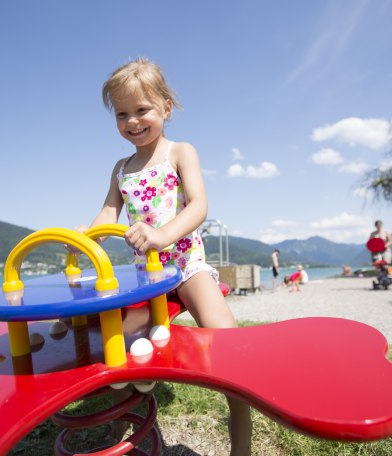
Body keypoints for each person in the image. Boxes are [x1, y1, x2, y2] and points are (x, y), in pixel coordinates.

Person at [74, 58, 252, 455]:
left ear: (166, 108)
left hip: (186, 266)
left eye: (142, 110)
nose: (133, 121)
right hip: (145, 276)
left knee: (228, 345)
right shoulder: (121, 168)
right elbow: (107, 213)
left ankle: (242, 442)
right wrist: (86, 238)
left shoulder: (179, 152)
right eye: (122, 114)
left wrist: (161, 235)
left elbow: (199, 206)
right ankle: (125, 416)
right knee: (114, 345)